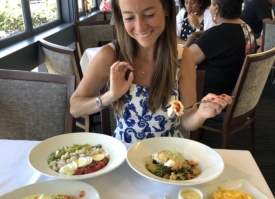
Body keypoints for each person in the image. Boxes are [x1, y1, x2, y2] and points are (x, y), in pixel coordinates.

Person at [70, 0, 232, 145]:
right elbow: (75, 108)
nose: (140, 27)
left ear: (166, 9)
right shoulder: (110, 55)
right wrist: (110, 96)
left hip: (169, 157)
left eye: (149, 14)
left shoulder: (183, 57)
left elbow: (187, 121)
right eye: (129, 17)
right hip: (124, 155)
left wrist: (202, 113)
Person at [188, 0, 256, 97]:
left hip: (209, 97)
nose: (210, 8)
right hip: (234, 93)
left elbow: (183, 60)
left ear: (216, 8)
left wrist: (191, 37)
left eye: (211, 4)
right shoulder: (248, 29)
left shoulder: (216, 34)